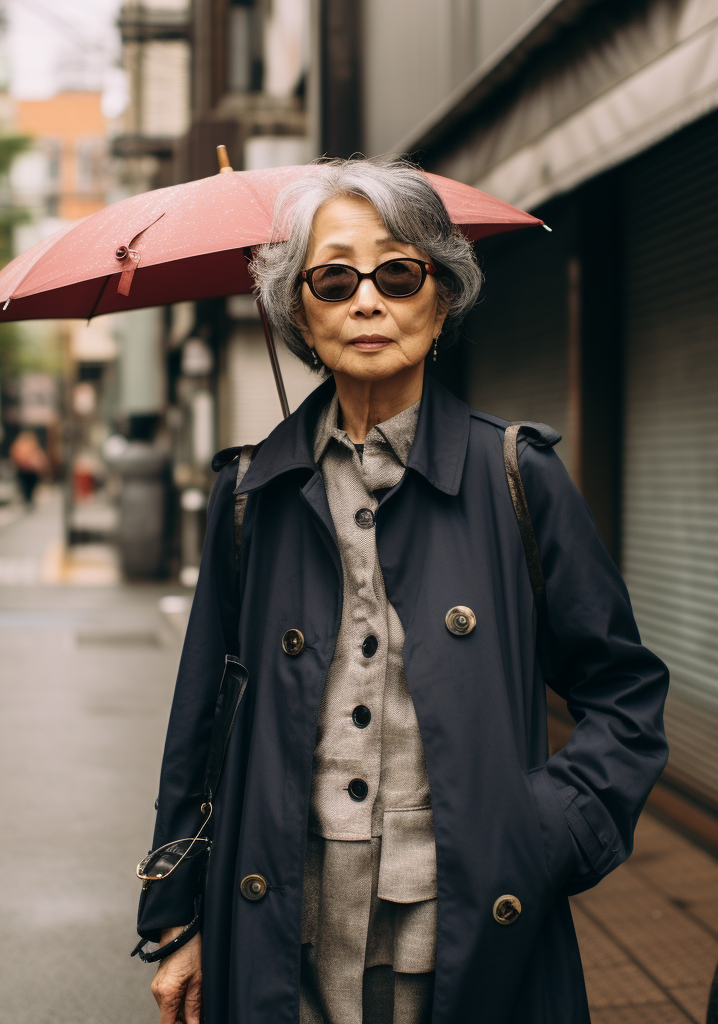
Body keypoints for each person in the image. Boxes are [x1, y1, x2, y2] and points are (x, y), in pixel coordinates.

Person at [137, 157, 669, 1024]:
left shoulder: (519, 476)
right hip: (279, 920)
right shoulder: (249, 496)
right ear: (300, 314)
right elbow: (198, 726)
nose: (367, 300)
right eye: (334, 278)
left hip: (469, 919)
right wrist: (176, 920)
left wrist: (541, 834)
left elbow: (625, 694)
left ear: (442, 296)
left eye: (398, 272)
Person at [9, 430, 48, 507]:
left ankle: (28, 499)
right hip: (24, 470)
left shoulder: (31, 445)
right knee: (26, 488)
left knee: (29, 488)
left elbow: (39, 458)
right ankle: (27, 499)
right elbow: (15, 456)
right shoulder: (20, 445)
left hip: (30, 471)